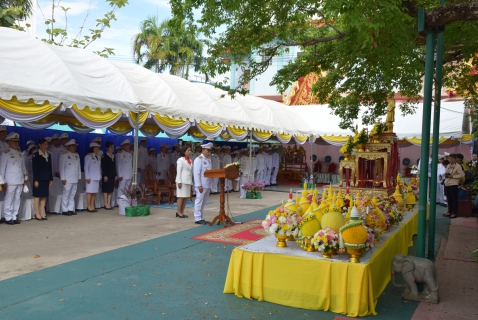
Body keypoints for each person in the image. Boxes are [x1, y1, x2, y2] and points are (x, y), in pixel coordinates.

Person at [0, 132, 28, 225]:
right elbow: (2, 170)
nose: (17, 143)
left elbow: (24, 168)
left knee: (17, 199)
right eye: (14, 142)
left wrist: (25, 177)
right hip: (10, 181)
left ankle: (15, 216)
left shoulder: (20, 153)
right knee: (9, 198)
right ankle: (8, 217)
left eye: (17, 142)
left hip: (19, 180)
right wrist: (3, 181)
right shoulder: (5, 154)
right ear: (9, 142)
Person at [31, 138, 53, 221]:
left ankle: (41, 212)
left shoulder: (48, 155)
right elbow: (35, 169)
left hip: (46, 178)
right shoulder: (36, 155)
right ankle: (36, 213)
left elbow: (50, 168)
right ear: (39, 145)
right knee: (37, 196)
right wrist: (35, 180)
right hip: (39, 179)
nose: (46, 146)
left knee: (44, 196)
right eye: (44, 144)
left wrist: (51, 179)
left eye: (47, 144)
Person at [59, 139, 81, 216]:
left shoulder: (76, 155)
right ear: (68, 147)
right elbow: (61, 167)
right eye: (72, 146)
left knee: (72, 194)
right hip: (67, 179)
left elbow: (78, 167)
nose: (74, 148)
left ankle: (70, 209)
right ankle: (64, 210)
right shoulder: (64, 155)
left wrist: (79, 176)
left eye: (74, 146)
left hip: (74, 178)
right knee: (66, 194)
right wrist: (63, 178)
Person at [193, 142, 213, 224]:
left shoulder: (208, 160)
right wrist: (198, 185)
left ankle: (201, 217)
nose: (209, 153)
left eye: (210, 151)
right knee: (199, 201)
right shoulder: (199, 159)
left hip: (207, 184)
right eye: (208, 151)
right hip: (201, 185)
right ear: (204, 150)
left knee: (203, 202)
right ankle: (197, 218)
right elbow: (196, 173)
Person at [443, 154, 464, 219]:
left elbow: (461, 175)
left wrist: (453, 176)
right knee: (449, 198)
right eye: (449, 158)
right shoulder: (448, 165)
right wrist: (446, 175)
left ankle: (454, 213)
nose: (450, 160)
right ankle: (449, 211)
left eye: (452, 158)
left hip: (454, 183)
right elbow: (446, 173)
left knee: (454, 198)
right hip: (447, 183)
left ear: (455, 159)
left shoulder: (458, 166)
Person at [176, 145, 193, 218]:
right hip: (182, 181)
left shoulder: (190, 160)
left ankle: (182, 211)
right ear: (184, 152)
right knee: (181, 197)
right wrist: (179, 181)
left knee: (185, 197)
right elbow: (179, 171)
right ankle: (178, 212)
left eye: (190, 150)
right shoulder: (181, 160)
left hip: (188, 180)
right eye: (188, 150)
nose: (189, 152)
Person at [84, 142, 101, 212]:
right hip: (90, 177)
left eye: (98, 147)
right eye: (96, 147)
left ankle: (92, 205)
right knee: (89, 192)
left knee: (94, 192)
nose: (97, 149)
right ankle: (88, 206)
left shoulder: (98, 156)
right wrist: (87, 177)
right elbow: (86, 167)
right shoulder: (88, 156)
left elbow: (98, 168)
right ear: (92, 148)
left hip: (96, 177)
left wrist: (99, 176)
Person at [117, 140, 133, 209]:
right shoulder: (120, 154)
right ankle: (119, 202)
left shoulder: (130, 155)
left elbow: (131, 165)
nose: (128, 147)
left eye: (129, 145)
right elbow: (118, 165)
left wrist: (132, 174)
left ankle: (125, 201)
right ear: (123, 146)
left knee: (127, 189)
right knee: (121, 188)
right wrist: (119, 175)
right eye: (127, 145)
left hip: (129, 175)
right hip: (123, 175)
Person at [101, 142, 117, 210]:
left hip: (112, 175)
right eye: (111, 147)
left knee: (110, 190)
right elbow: (103, 167)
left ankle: (109, 203)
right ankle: (106, 204)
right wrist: (105, 175)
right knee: (106, 190)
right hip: (106, 175)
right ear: (107, 148)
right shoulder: (104, 156)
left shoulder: (113, 156)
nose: (112, 149)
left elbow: (114, 167)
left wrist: (115, 175)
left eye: (113, 147)